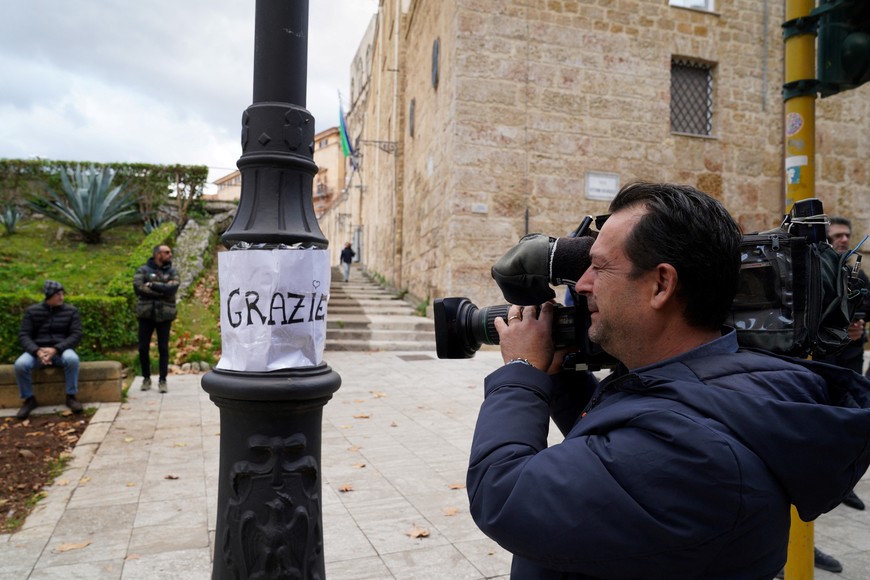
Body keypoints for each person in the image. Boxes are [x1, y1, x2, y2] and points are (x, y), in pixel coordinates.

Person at [466, 182, 870, 579]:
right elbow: (613, 446)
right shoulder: (714, 379)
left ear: (661, 285)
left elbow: (502, 493)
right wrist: (560, 377)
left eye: (598, 267)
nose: (583, 284)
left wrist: (521, 369)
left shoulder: (694, 452)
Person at [819, 217, 870, 511]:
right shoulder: (819, 272)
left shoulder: (856, 272)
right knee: (826, 422)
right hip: (824, 361)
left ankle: (844, 485)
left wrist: (857, 320)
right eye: (837, 235)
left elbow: (867, 302)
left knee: (851, 419)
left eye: (847, 235)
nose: (843, 240)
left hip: (849, 360)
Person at [14, 280, 83, 419]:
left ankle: (71, 396)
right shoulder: (32, 312)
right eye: (58, 294)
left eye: (62, 293)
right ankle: (28, 399)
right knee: (20, 364)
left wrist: (56, 349)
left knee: (72, 359)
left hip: (61, 351)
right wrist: (37, 351)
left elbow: (76, 334)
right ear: (48, 295)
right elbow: (24, 335)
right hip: (37, 352)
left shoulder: (71, 311)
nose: (62, 297)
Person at [133, 244, 179, 393]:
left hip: (165, 316)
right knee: (143, 348)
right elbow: (138, 288)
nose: (170, 255)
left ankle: (162, 380)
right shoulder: (142, 270)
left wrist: (152, 285)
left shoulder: (172, 271)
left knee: (163, 348)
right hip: (146, 315)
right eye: (166, 252)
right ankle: (146, 378)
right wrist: (162, 290)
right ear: (157, 254)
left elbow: (173, 288)